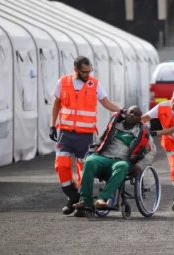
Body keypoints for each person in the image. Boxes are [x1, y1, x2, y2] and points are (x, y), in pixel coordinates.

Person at [49, 56, 123, 217]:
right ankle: (73, 197)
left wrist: (122, 111)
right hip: (66, 134)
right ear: (75, 69)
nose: (87, 75)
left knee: (84, 171)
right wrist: (52, 125)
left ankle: (80, 203)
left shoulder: (94, 84)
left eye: (89, 71)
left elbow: (106, 103)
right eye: (84, 72)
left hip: (85, 136)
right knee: (61, 165)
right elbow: (56, 103)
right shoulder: (63, 82)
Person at [73, 106, 156, 209]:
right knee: (89, 161)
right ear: (125, 114)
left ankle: (102, 199)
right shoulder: (113, 126)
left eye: (135, 114)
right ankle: (85, 200)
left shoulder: (143, 133)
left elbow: (151, 151)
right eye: (130, 112)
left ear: (140, 119)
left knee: (122, 166)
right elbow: (100, 140)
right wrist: (92, 151)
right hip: (104, 156)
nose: (132, 115)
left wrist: (140, 165)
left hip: (121, 160)